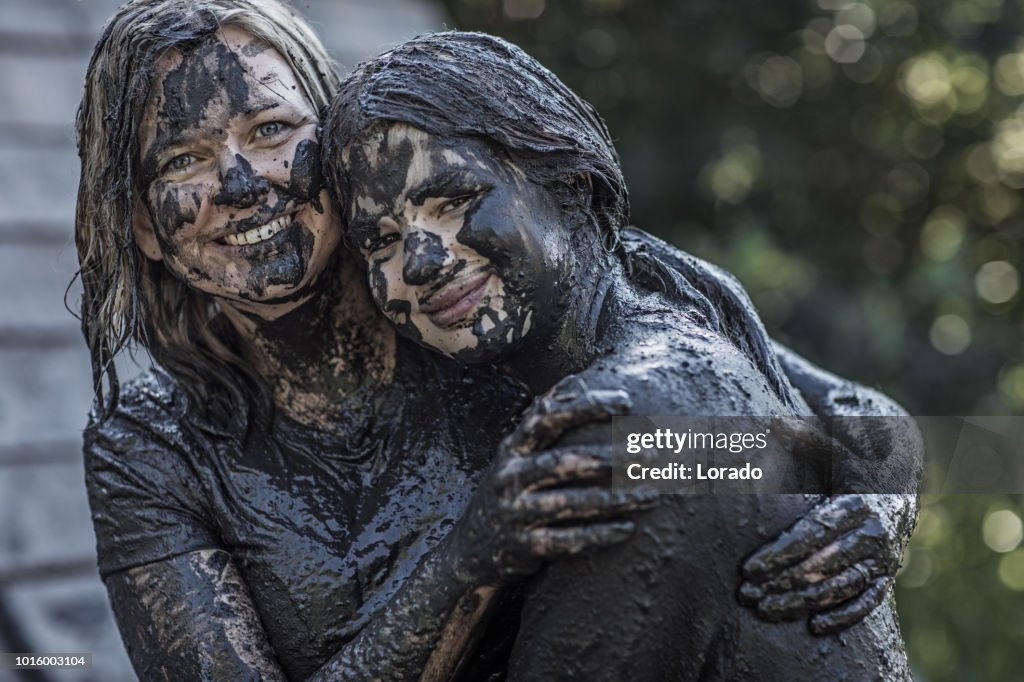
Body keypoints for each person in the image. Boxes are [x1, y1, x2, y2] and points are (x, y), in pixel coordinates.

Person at [75, 2, 914, 679]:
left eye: (268, 131)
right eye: (181, 159)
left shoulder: (483, 296)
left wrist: (880, 499)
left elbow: (809, 418)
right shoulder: (148, 451)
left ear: (337, 149)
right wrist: (469, 560)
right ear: (144, 227)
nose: (237, 183)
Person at [324, 31, 920, 680]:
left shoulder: (627, 420)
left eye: (456, 202)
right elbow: (821, 420)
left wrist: (885, 496)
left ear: (573, 186)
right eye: (380, 241)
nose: (420, 261)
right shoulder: (648, 295)